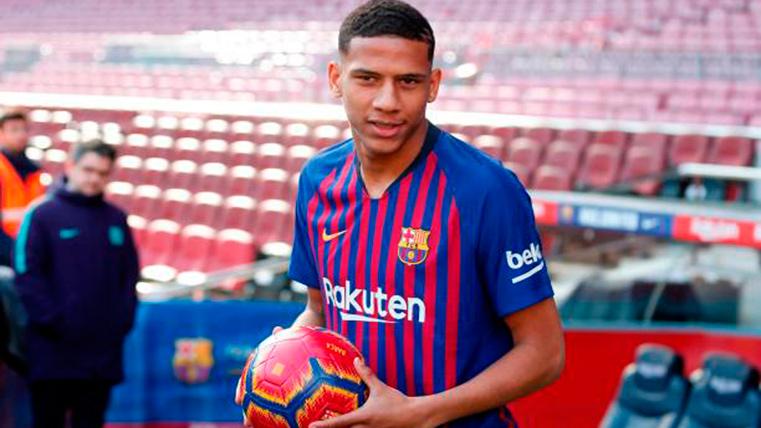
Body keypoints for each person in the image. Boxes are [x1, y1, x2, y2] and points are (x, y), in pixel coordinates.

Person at [285, 1, 565, 426]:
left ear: (433, 85)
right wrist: (283, 353)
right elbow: (320, 313)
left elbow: (545, 354)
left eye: (408, 81)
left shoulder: (486, 190)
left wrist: (419, 414)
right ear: (336, 79)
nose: (387, 101)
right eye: (367, 79)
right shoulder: (317, 181)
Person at [14, 140, 139, 428]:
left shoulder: (116, 219)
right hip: (53, 353)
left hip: (100, 356)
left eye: (103, 173)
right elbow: (27, 275)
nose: (94, 178)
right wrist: (55, 322)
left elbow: (128, 277)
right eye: (88, 170)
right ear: (70, 167)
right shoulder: (42, 215)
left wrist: (120, 323)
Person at [0, 110, 46, 267]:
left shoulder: (34, 171)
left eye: (24, 129)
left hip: (28, 243)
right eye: (14, 129)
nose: (21, 135)